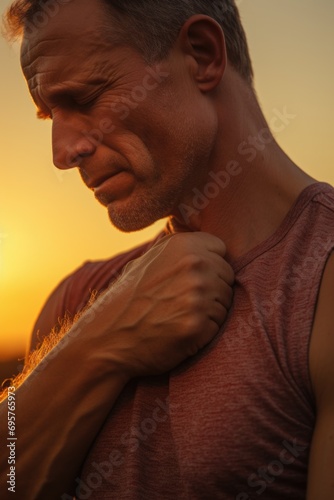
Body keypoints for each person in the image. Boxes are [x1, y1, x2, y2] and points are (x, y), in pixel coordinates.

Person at [0, 0, 333, 498]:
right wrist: (100, 340)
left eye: (87, 98)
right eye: (50, 114)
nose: (62, 153)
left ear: (201, 56)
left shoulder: (320, 276)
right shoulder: (77, 301)